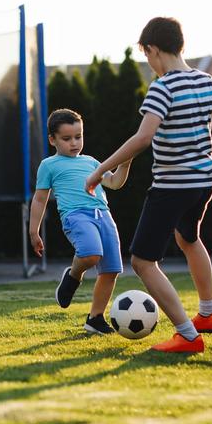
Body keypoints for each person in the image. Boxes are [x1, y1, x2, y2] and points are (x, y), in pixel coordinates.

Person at [85, 17, 212, 353]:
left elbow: (143, 138)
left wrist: (100, 170)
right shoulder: (206, 81)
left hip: (173, 185)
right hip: (205, 180)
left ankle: (186, 334)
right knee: (189, 237)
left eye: (147, 57)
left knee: (142, 261)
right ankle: (208, 314)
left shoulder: (163, 88)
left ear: (153, 50)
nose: (150, 65)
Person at [29, 108, 132, 335]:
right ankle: (73, 276)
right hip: (75, 216)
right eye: (66, 139)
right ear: (52, 139)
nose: (74, 143)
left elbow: (115, 183)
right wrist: (33, 231)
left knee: (111, 270)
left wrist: (125, 163)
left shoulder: (92, 162)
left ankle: (95, 318)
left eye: (78, 136)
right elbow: (39, 199)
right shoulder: (49, 165)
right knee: (90, 254)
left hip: (104, 215)